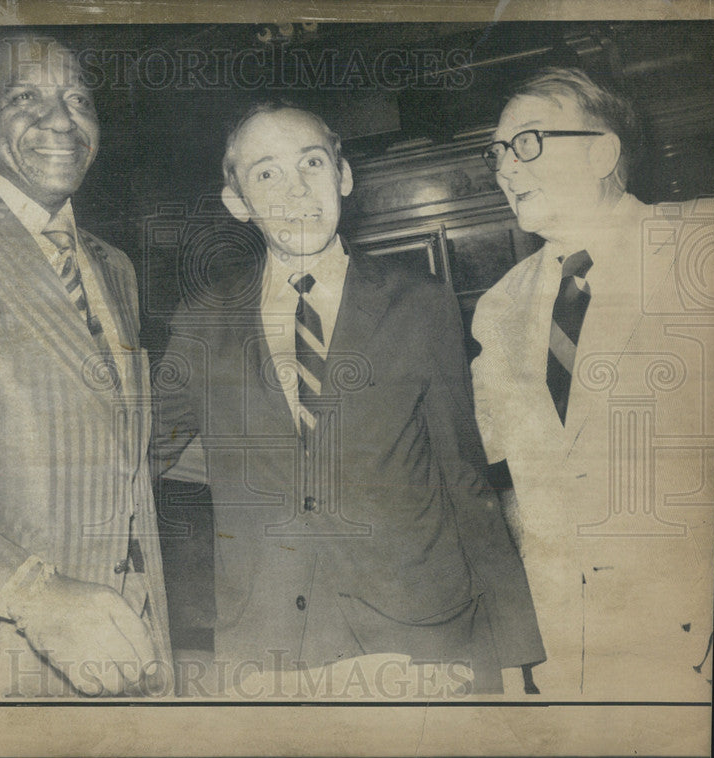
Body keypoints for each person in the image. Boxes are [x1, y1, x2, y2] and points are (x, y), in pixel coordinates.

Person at [150, 102, 544, 694]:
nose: (295, 188)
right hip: (270, 646)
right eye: (266, 173)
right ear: (238, 202)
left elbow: (463, 478)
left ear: (344, 176)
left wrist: (513, 649)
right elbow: (139, 453)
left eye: (312, 162)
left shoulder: (419, 301)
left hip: (421, 637)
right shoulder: (203, 321)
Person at [0, 34, 172, 697]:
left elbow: (119, 460)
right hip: (5, 669)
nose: (61, 119)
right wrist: (31, 595)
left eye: (78, 98)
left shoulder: (116, 267)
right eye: (25, 98)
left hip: (135, 661)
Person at [471, 67, 714, 697]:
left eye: (527, 141)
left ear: (603, 151)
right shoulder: (499, 306)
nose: (505, 167)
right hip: (564, 657)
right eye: (497, 151)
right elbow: (499, 479)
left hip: (693, 650)